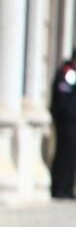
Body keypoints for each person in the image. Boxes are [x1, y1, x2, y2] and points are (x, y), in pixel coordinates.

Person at [51, 49, 76, 199]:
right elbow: (64, 98)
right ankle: (60, 188)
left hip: (71, 121)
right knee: (64, 154)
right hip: (66, 121)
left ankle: (67, 188)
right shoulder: (68, 73)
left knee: (71, 156)